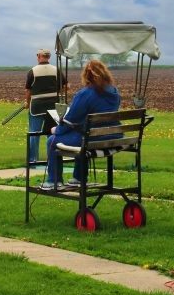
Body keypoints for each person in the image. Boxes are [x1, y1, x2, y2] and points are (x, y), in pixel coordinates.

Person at [41, 59, 121, 191]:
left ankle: (54, 181)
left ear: (86, 75)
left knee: (52, 140)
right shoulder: (114, 92)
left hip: (91, 140)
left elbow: (70, 119)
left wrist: (57, 130)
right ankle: (78, 178)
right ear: (105, 73)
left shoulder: (85, 94)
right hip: (112, 137)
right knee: (82, 136)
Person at [24, 48, 67, 164]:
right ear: (49, 57)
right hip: (52, 107)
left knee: (34, 133)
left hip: (36, 107)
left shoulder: (32, 71)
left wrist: (27, 102)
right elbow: (65, 87)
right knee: (51, 133)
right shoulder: (56, 70)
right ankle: (51, 158)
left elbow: (28, 90)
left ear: (39, 56)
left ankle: (33, 160)